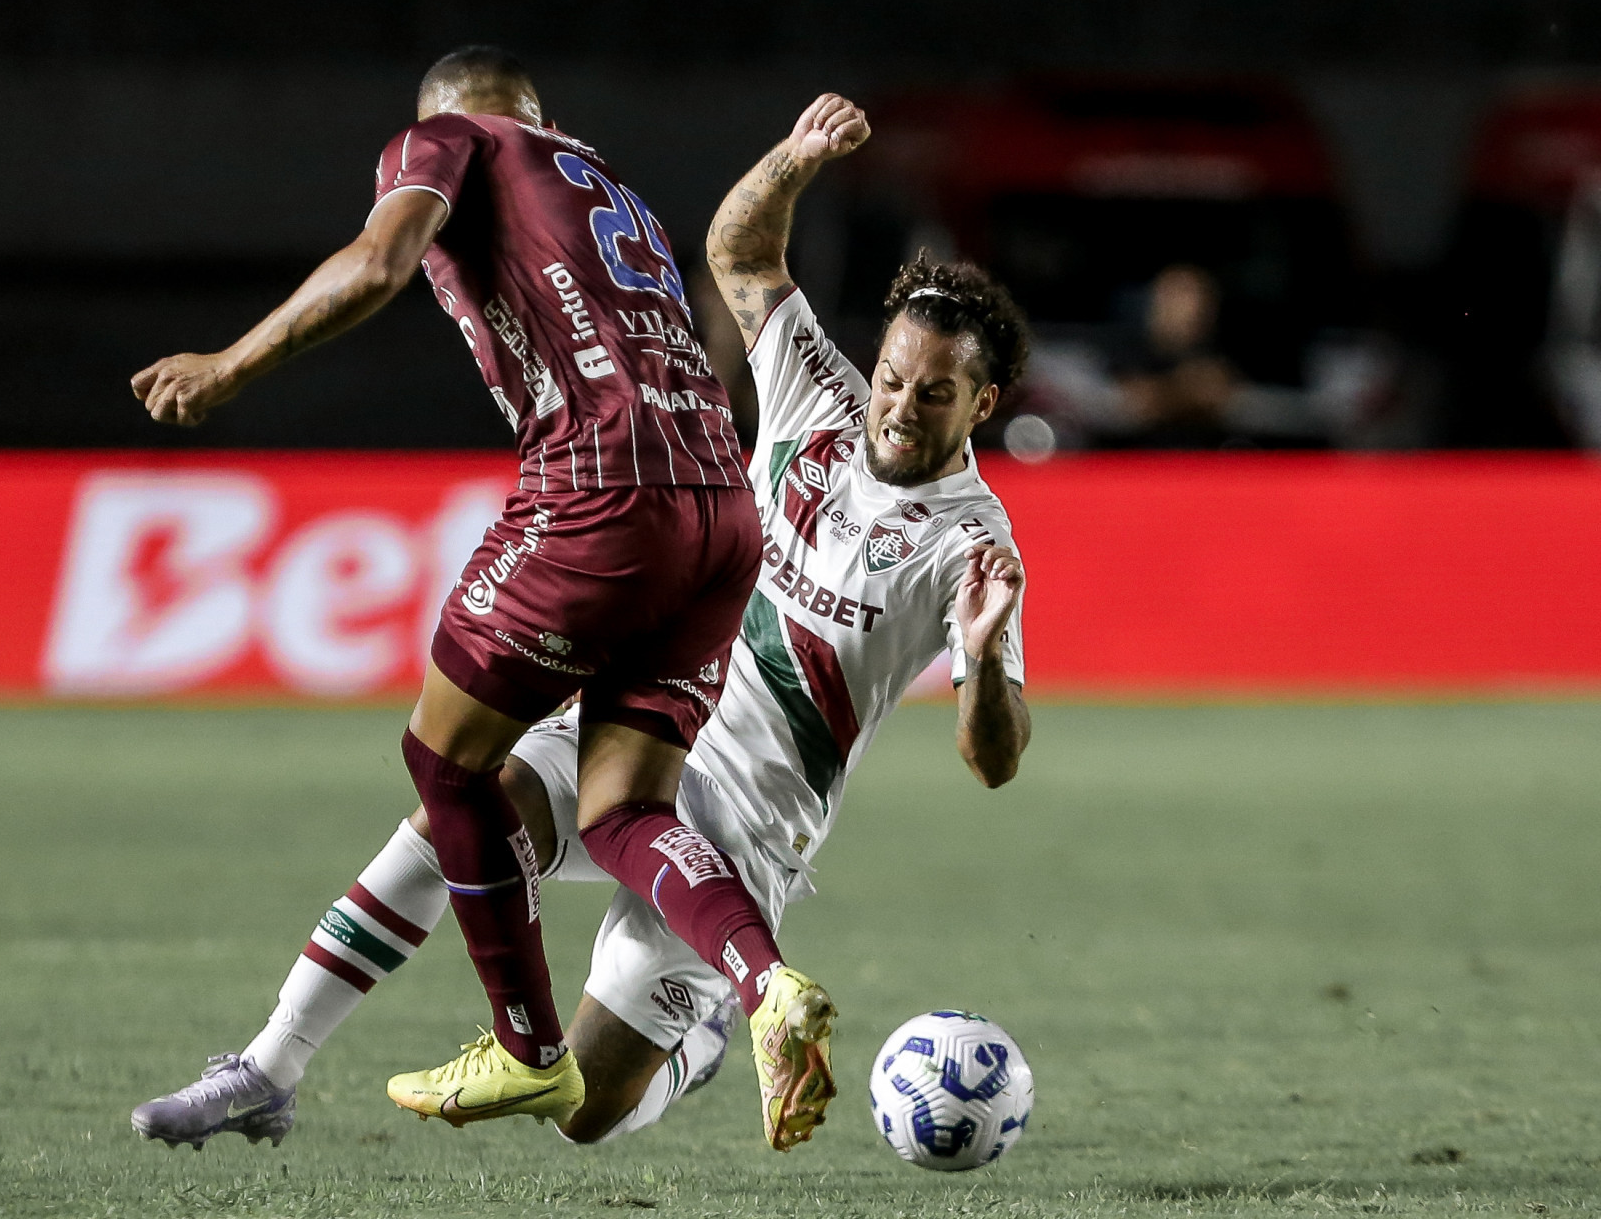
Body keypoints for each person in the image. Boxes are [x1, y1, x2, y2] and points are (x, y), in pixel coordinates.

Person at [130, 93, 1032, 1151]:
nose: (896, 404)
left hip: (750, 816)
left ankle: (697, 1045)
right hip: (650, 719)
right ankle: (268, 1063)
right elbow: (741, 252)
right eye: (892, 377)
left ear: (983, 403)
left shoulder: (976, 543)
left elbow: (995, 759)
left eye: (933, 395)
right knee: (456, 813)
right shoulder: (818, 396)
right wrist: (793, 156)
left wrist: (976, 657)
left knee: (588, 1115)